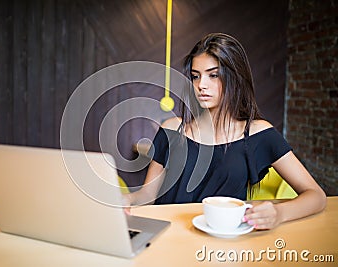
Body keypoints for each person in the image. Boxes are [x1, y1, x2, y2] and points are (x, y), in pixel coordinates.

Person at [123, 33, 326, 230]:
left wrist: (279, 213)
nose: (201, 85)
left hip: (223, 246)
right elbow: (147, 196)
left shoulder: (258, 134)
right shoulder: (171, 129)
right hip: (167, 238)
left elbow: (316, 196)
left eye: (213, 75)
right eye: (195, 76)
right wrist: (123, 199)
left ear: (234, 77)